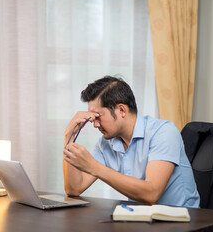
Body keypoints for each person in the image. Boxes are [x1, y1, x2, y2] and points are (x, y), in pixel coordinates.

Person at [63, 76, 200, 207]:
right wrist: (69, 137)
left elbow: (151, 193)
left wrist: (94, 167)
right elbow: (74, 189)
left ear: (121, 110)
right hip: (142, 218)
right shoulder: (106, 144)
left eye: (98, 116)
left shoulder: (163, 132)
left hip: (183, 220)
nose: (95, 125)